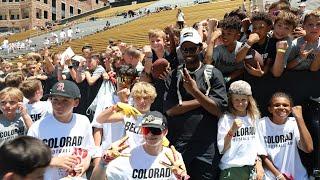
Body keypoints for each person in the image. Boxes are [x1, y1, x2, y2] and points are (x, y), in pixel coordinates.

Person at [164, 27, 228, 179]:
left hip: (207, 145)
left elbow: (218, 110)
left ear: (200, 48)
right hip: (180, 144)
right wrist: (202, 99)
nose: (188, 53)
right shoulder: (174, 75)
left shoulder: (213, 73)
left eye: (192, 48)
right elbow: (171, 110)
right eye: (184, 49)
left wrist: (195, 92)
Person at [91, 111, 190, 180]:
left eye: (155, 130)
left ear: (165, 132)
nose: (150, 134)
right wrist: (103, 162)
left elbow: (182, 175)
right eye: (146, 130)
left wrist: (181, 177)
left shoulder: (174, 157)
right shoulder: (127, 156)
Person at [27, 80, 95, 179]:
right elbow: (28, 159)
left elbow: (88, 150)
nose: (59, 105)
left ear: (76, 102)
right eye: (55, 100)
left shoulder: (83, 121)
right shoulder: (38, 127)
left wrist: (83, 166)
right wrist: (53, 161)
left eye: (65, 100)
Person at [257, 92, 313, 180]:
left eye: (285, 105)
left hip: (297, 176)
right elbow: (262, 155)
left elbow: (308, 148)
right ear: (270, 109)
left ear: (291, 109)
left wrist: (299, 118)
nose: (281, 107)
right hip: (272, 176)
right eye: (277, 105)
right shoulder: (261, 124)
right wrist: (278, 175)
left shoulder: (294, 122)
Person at [217, 80, 264, 179]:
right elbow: (222, 148)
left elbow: (258, 144)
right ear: (231, 100)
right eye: (236, 100)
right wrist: (232, 130)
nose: (240, 103)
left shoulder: (254, 117)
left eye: (243, 99)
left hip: (252, 168)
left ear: (249, 100)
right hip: (232, 168)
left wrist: (259, 163)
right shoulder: (226, 118)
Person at [206, 16, 244, 82]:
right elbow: (208, 61)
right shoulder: (219, 49)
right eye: (223, 33)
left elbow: (241, 69)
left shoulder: (241, 48)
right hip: (218, 78)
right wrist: (212, 40)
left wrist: (228, 78)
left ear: (237, 36)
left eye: (229, 34)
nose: (224, 36)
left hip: (234, 78)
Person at [235, 12, 273, 77]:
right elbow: (238, 59)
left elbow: (268, 63)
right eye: (254, 28)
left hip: (265, 77)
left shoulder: (271, 42)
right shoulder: (248, 41)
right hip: (248, 77)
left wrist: (262, 73)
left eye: (261, 28)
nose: (257, 31)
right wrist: (249, 42)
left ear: (268, 28)